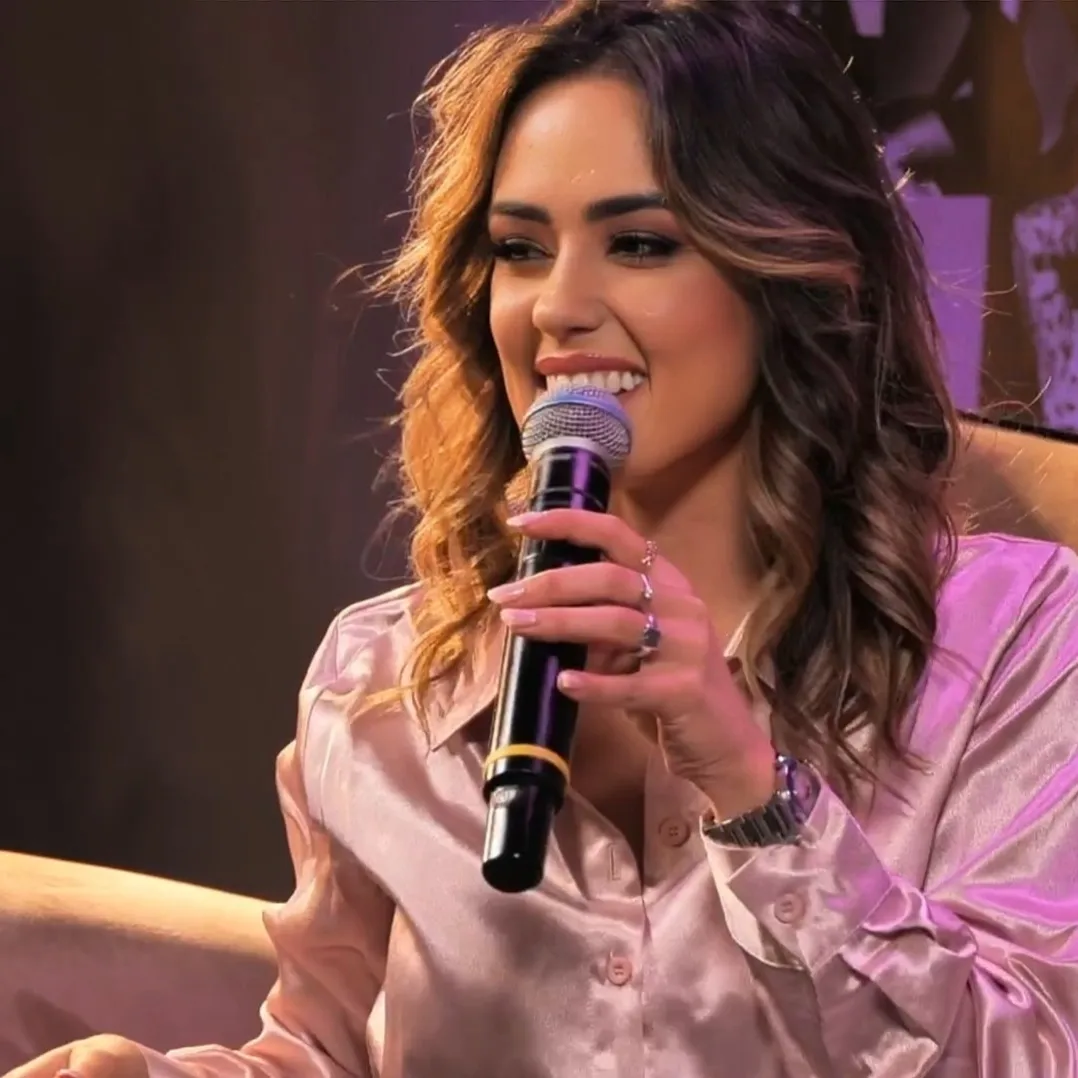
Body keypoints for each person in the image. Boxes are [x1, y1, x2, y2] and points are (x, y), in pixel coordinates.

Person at [10, 1, 1078, 1075]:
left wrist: (754, 792)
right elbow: (324, 1053)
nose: (557, 307)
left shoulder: (1010, 639)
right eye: (520, 249)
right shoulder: (381, 681)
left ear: (793, 272)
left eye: (639, 244)